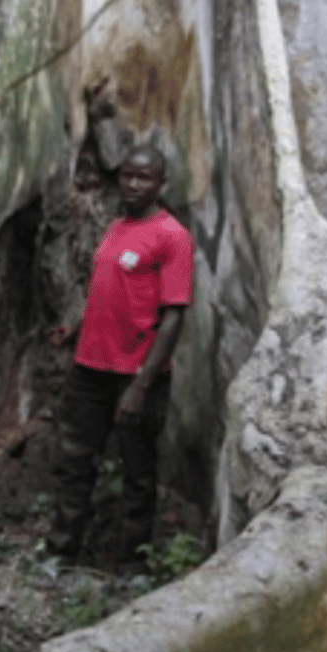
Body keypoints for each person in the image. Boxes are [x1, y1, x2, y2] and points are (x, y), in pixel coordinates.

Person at [46, 143, 194, 564]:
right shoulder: (115, 228)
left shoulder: (172, 237)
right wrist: (74, 326)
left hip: (136, 375)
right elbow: (107, 289)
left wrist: (141, 386)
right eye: (127, 175)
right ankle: (61, 552)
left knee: (137, 474)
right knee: (74, 463)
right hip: (89, 368)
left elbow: (173, 317)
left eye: (143, 177)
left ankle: (130, 565)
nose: (132, 184)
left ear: (161, 183)